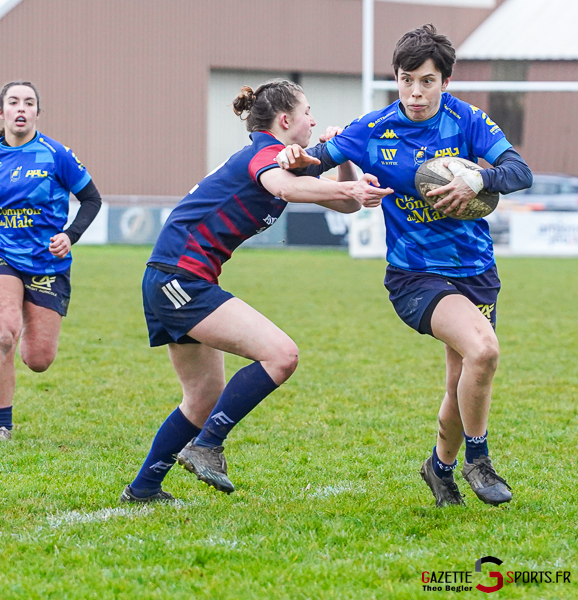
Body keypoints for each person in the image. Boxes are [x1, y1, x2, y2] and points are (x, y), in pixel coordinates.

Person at [120, 80, 394, 502]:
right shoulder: (264, 155)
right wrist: (350, 186)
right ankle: (206, 446)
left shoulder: (284, 158)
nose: (314, 120)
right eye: (308, 113)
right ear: (286, 121)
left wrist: (344, 167)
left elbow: (347, 205)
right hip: (179, 279)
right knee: (282, 354)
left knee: (203, 397)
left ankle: (144, 488)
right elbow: (285, 188)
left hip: (178, 279)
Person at [297, 25, 532, 507]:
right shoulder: (374, 128)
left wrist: (477, 178)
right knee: (484, 351)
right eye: (407, 80)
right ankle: (478, 460)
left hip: (476, 271)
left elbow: (519, 171)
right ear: (397, 79)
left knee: (460, 380)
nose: (416, 92)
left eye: (427, 81)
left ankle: (439, 469)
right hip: (416, 275)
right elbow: (306, 168)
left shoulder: (467, 121)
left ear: (445, 81)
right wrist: (292, 151)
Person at [0, 81, 102, 441]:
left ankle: (21, 348)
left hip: (47, 263)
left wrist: (70, 235)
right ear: (1, 113)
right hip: (1, 256)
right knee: (4, 334)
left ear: (36, 112)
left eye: (29, 103)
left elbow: (91, 199)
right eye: (14, 102)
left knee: (38, 360)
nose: (21, 108)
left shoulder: (56, 154)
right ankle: (1, 426)